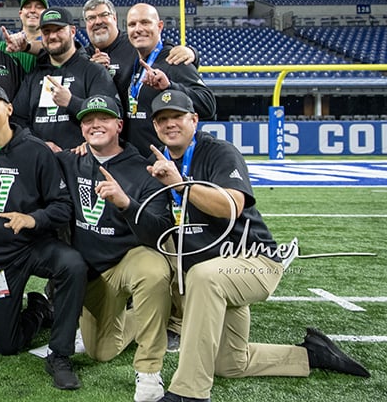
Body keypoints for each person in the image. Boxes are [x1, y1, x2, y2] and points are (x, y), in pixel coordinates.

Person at [145, 90, 371, 401]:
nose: (169, 124)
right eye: (162, 119)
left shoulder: (219, 152)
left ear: (194, 120)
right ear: (155, 127)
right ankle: (312, 355)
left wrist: (178, 184)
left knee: (203, 276)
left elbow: (231, 206)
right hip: (215, 273)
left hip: (253, 262)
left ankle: (189, 393)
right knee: (230, 363)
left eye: (177, 117)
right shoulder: (156, 163)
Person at [0, 83, 87, 390]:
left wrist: (32, 218)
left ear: (9, 109)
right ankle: (39, 309)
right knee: (6, 345)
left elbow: (63, 206)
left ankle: (60, 354)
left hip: (33, 246)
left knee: (73, 264)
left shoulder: (37, 151)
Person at [55, 95, 173, 402]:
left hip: (128, 260)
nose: (95, 125)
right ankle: (152, 315)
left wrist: (125, 203)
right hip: (93, 274)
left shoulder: (144, 171)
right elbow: (34, 150)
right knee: (101, 352)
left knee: (153, 270)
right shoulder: (71, 161)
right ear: (81, 129)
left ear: (119, 125)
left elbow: (162, 231)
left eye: (104, 118)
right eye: (88, 120)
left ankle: (149, 371)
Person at [12, 7, 118, 152]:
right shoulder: (34, 76)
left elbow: (112, 113)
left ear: (73, 31)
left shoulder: (93, 71)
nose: (52, 36)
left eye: (58, 30)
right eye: (46, 32)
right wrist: (39, 144)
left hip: (81, 163)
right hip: (42, 161)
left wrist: (70, 102)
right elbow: (17, 119)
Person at [123, 3, 215, 158]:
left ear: (159, 26)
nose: (138, 29)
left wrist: (169, 86)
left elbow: (208, 105)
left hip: (165, 164)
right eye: (132, 24)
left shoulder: (174, 60)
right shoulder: (134, 62)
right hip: (136, 164)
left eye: (145, 22)